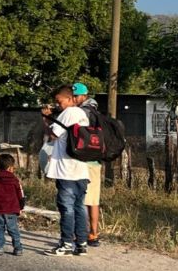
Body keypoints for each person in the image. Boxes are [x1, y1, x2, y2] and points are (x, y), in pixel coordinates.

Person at [42, 85, 91, 257]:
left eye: (59, 101)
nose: (58, 105)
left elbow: (53, 135)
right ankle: (82, 244)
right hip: (81, 169)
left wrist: (47, 119)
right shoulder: (82, 114)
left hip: (66, 170)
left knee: (67, 208)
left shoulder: (68, 113)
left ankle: (66, 244)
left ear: (70, 99)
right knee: (79, 206)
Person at [73, 82, 102, 247]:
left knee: (81, 199)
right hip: (96, 161)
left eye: (77, 96)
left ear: (84, 96)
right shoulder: (96, 112)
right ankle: (93, 234)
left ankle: (81, 235)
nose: (75, 99)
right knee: (93, 200)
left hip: (84, 161)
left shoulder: (81, 112)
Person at [0, 153, 25, 256]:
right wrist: (21, 207)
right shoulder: (15, 180)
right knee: (13, 230)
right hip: (12, 209)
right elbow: (20, 195)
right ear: (10, 168)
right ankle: (17, 248)